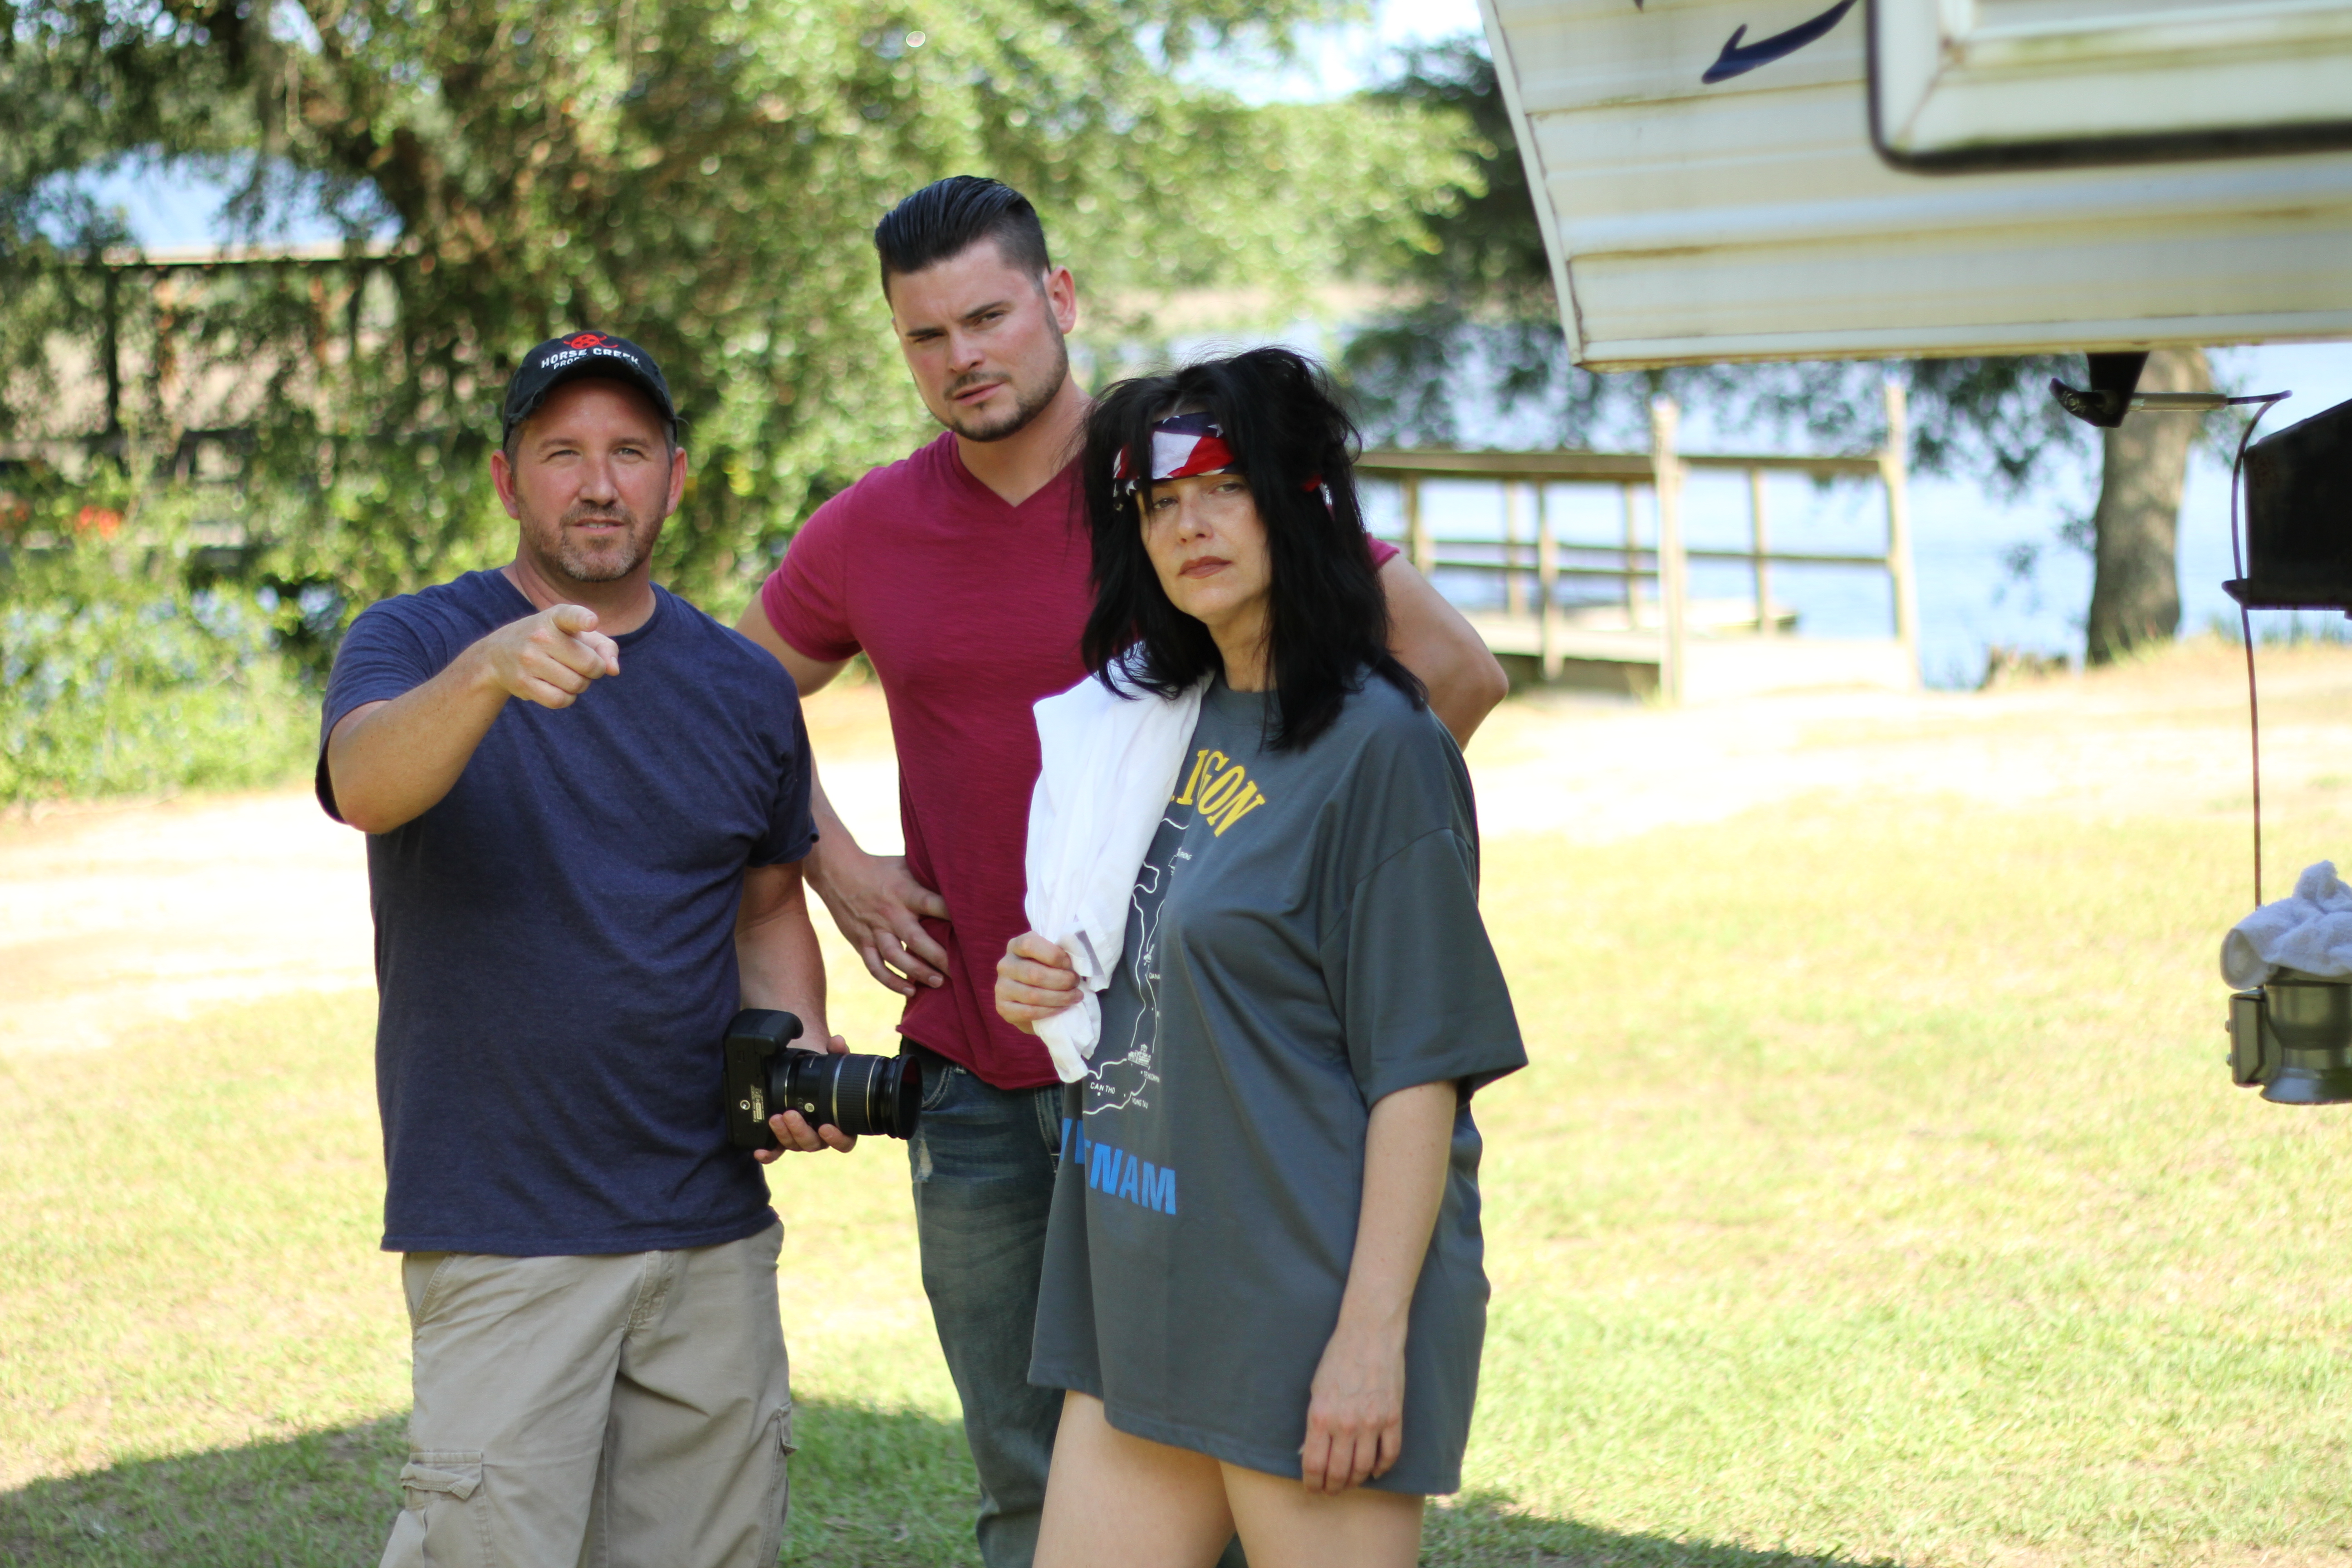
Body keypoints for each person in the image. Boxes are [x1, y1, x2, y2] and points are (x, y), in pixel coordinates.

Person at [731, 176, 1511, 1568]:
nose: (963, 354)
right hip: (1003, 1091)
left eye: (987, 315)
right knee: (1034, 1493)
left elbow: (1450, 679)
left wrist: (1300, 863)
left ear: (1059, 299)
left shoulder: (1191, 486)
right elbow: (719, 703)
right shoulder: (920, 560)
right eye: (926, 336)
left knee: (1261, 1499)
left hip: (1237, 1132)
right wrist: (830, 859)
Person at [319, 332, 852, 1568]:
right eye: (562, 453)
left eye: (628, 452)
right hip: (511, 1231)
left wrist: (803, 1045)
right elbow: (365, 783)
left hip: (711, 1233)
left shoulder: (741, 686)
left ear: (675, 474)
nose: (597, 484)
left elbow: (768, 905)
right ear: (509, 481)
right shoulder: (415, 642)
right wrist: (489, 676)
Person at [995, 348, 1526, 1568]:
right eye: (1161, 502)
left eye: (1225, 487)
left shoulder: (1380, 748)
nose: (1192, 525)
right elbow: (1157, 959)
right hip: (1140, 1290)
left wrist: (1369, 1339)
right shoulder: (1148, 724)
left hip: (1302, 1310)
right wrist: (1053, 984)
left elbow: (1420, 1074)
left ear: (1302, 500)